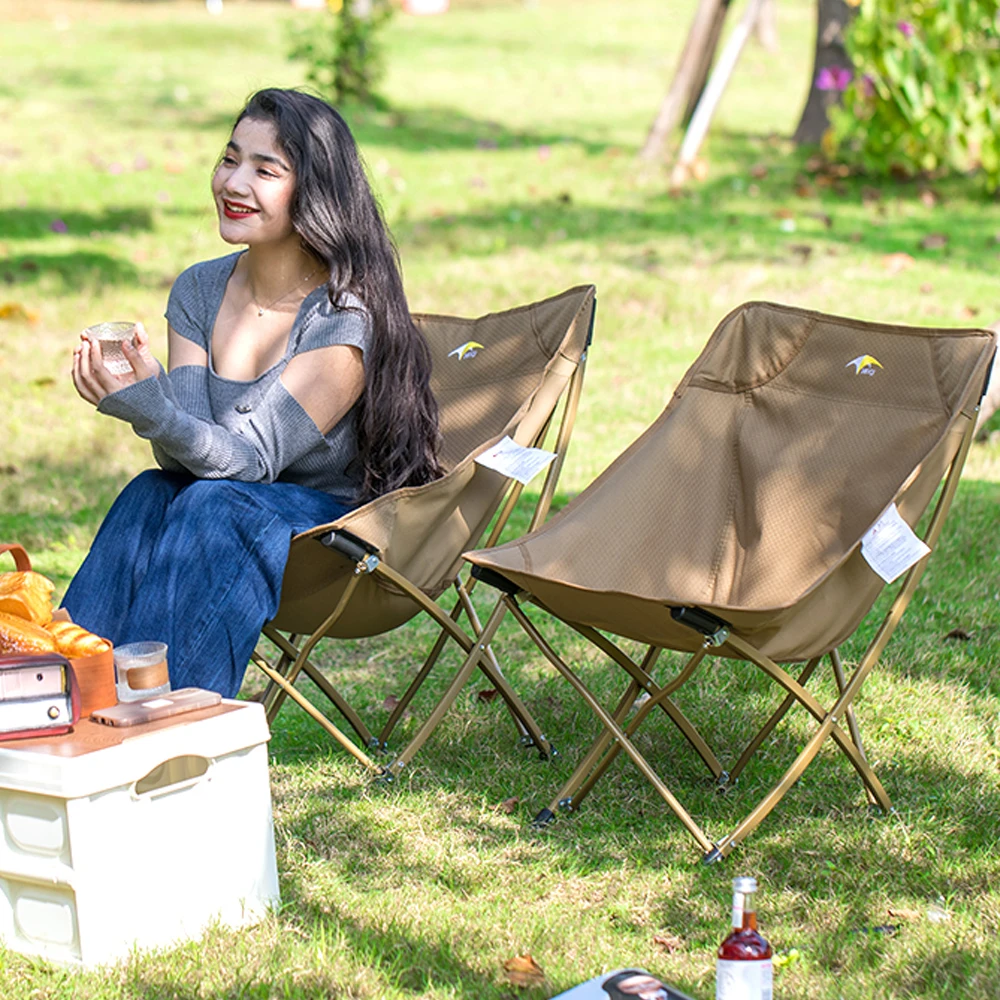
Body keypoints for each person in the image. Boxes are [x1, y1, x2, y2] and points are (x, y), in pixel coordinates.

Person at [64, 87, 442, 698]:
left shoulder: (344, 319)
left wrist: (151, 408)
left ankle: (165, 717)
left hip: (332, 537)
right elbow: (186, 460)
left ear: (315, 193)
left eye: (266, 170)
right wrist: (147, 401)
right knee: (151, 492)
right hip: (224, 511)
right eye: (229, 158)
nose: (234, 182)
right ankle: (67, 692)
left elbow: (247, 463)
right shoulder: (198, 292)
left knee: (216, 506)